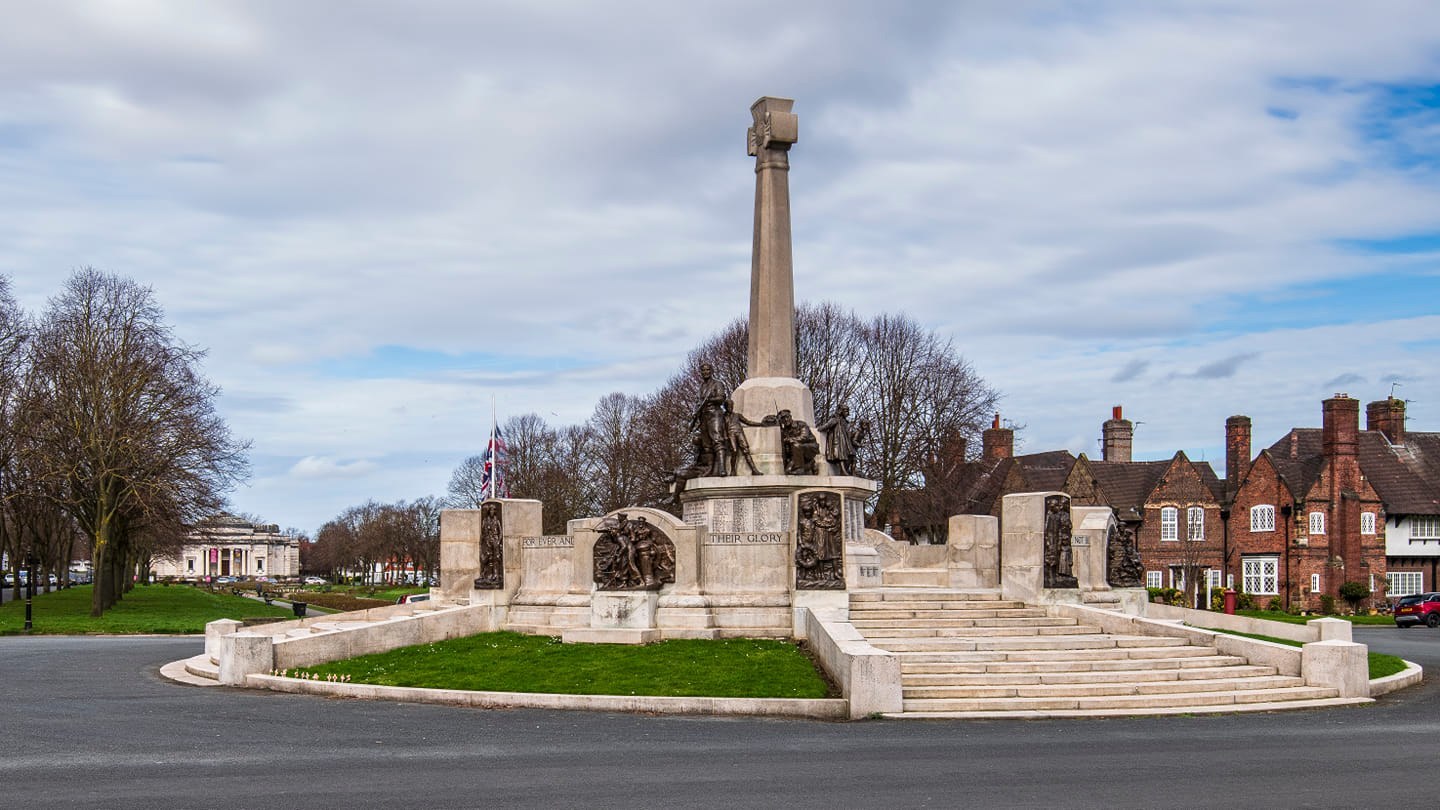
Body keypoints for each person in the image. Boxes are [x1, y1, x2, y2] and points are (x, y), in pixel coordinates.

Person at [690, 363, 728, 477]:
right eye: (703, 371)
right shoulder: (701, 386)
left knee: (717, 439)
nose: (705, 372)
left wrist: (710, 400)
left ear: (711, 371)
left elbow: (721, 398)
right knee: (706, 444)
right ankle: (710, 468)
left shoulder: (717, 384)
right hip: (703, 416)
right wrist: (695, 412)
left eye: (707, 370)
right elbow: (698, 402)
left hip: (714, 414)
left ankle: (722, 468)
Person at [816, 404, 866, 476]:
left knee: (851, 455)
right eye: (845, 411)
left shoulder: (845, 421)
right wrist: (819, 429)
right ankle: (843, 470)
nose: (847, 413)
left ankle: (849, 470)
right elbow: (825, 426)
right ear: (841, 411)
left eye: (848, 411)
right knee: (841, 455)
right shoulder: (835, 419)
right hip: (838, 441)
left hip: (845, 441)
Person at [721, 398, 764, 476]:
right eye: (729, 406)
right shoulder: (723, 417)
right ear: (726, 407)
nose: (730, 407)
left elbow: (748, 422)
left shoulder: (737, 415)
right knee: (734, 451)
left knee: (746, 451)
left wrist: (760, 424)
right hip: (731, 434)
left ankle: (754, 470)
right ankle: (733, 470)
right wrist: (725, 437)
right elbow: (723, 428)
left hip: (739, 433)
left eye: (731, 406)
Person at [773, 409, 820, 475]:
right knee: (788, 471)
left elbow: (804, 437)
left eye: (787, 417)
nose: (786, 420)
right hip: (796, 454)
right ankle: (810, 463)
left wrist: (790, 439)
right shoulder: (784, 431)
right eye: (783, 419)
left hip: (810, 447)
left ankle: (800, 469)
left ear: (791, 417)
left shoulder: (801, 424)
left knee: (796, 445)